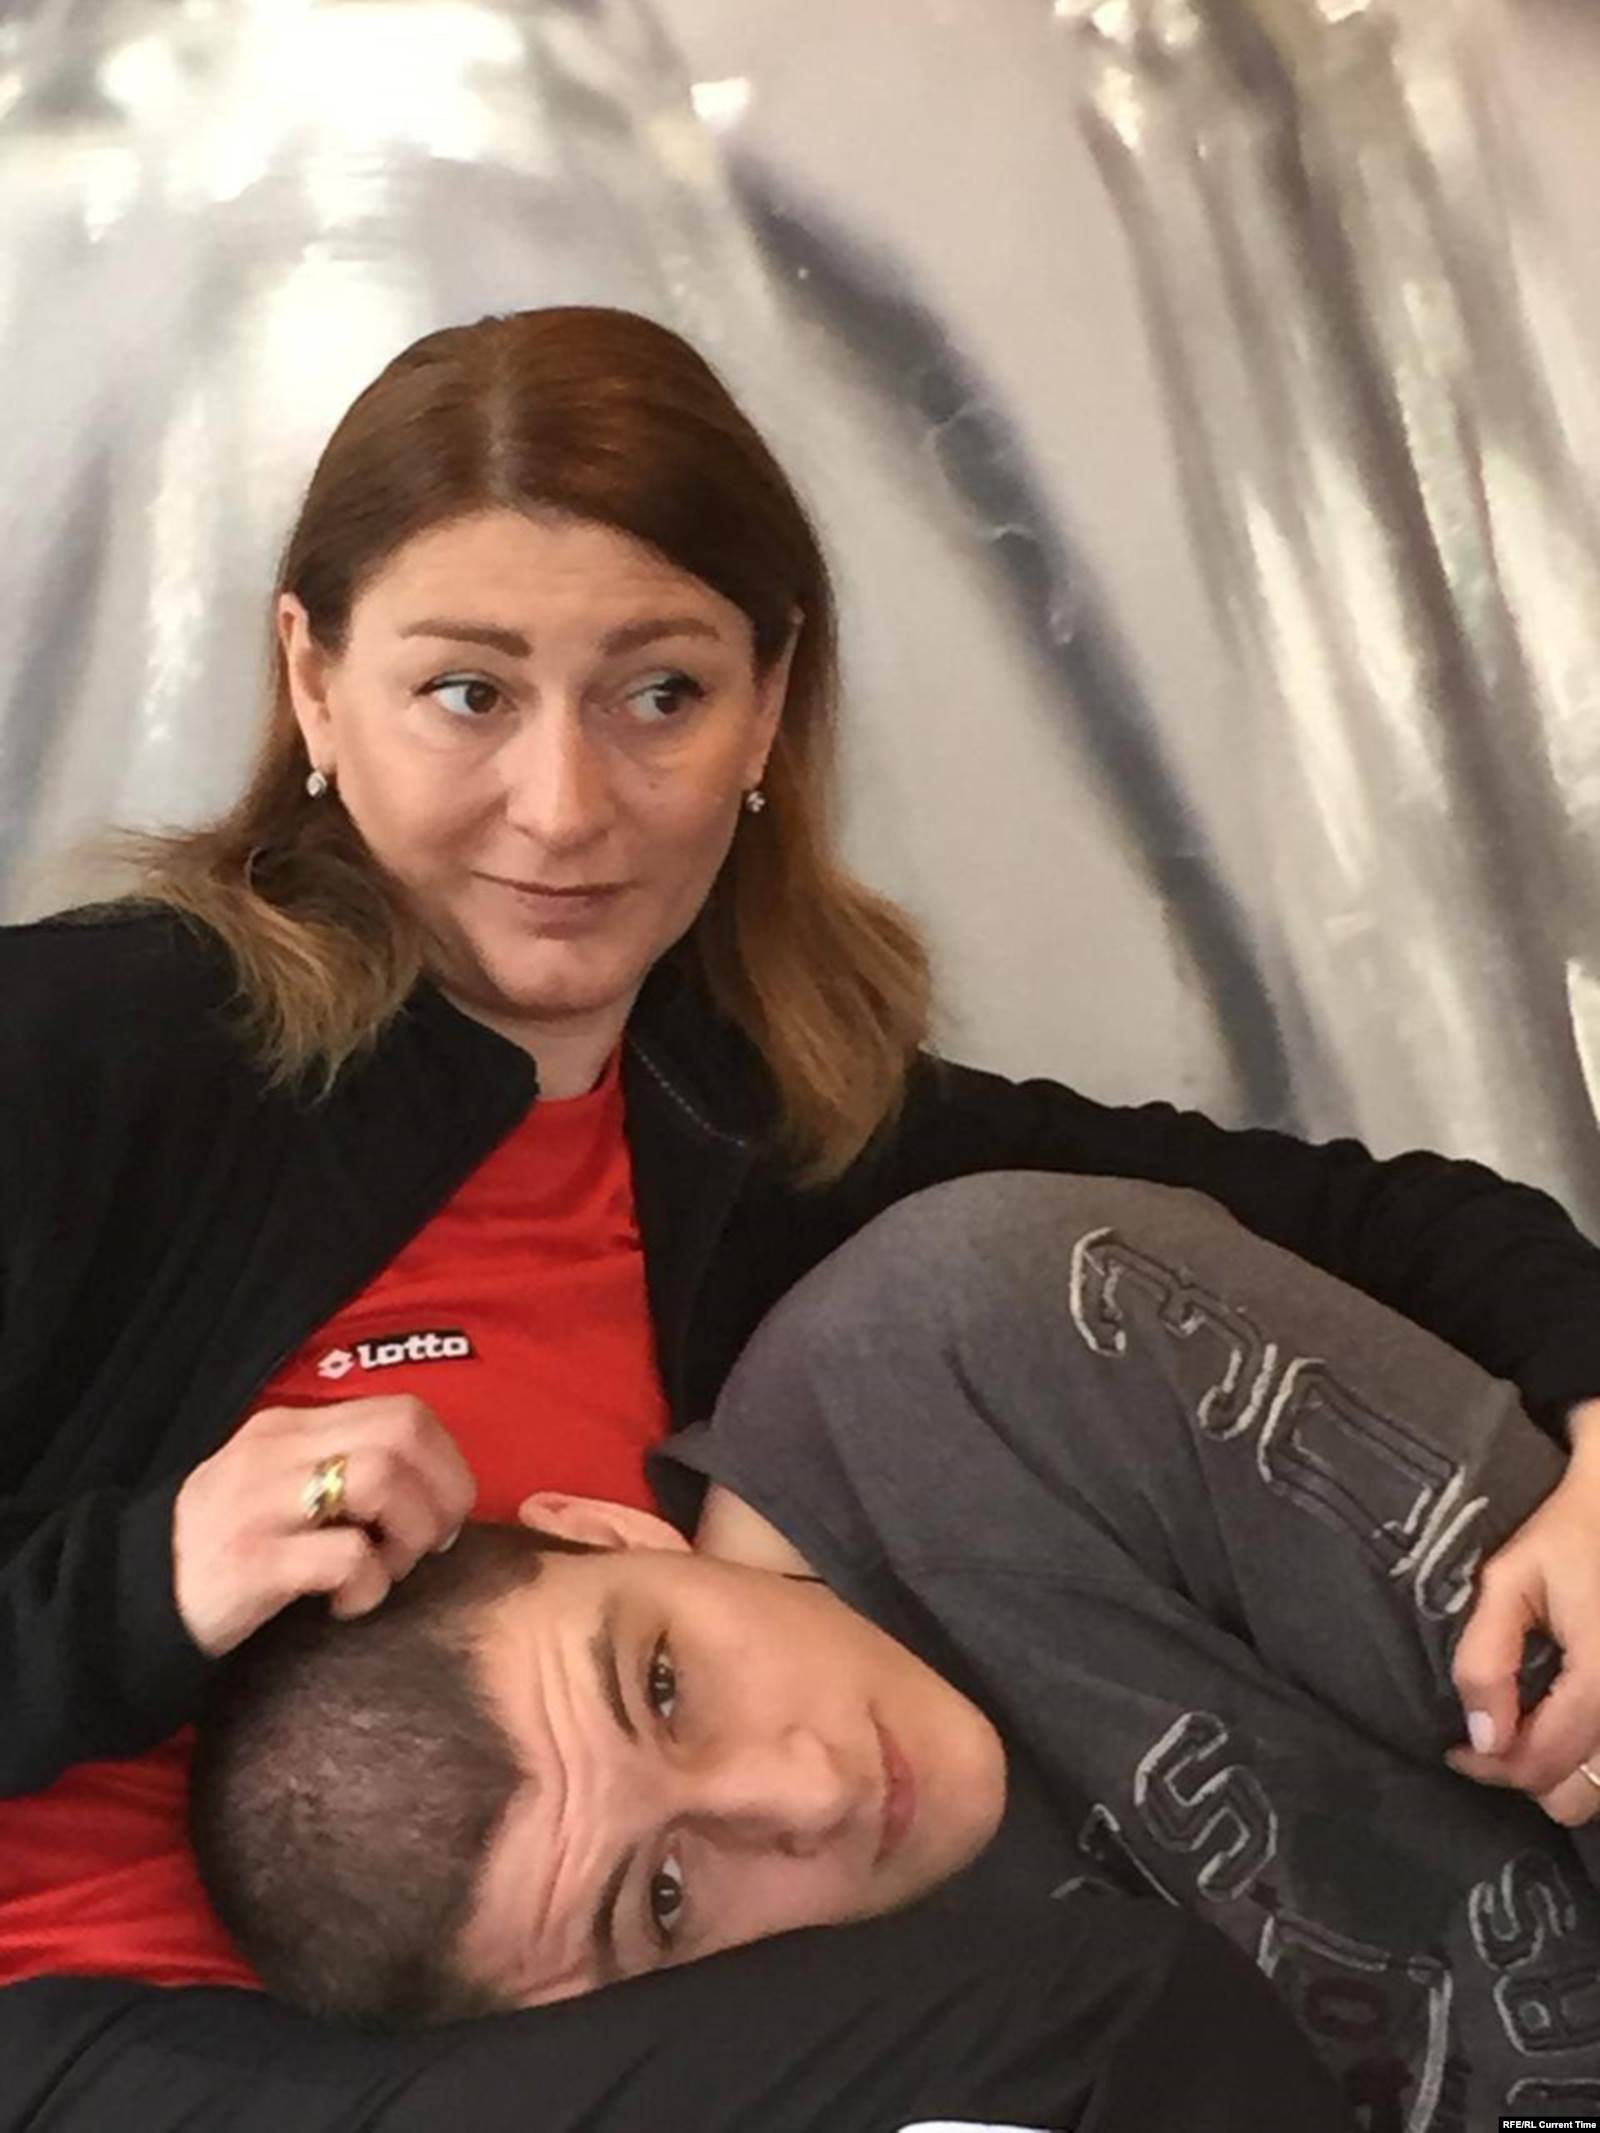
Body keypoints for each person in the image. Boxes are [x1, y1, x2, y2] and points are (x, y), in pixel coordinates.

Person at [2, 301, 1598, 2132]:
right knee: (1089, 2029)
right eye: (469, 693)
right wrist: (149, 1576)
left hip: (602, 2037)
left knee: (1087, 1997)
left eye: (659, 694)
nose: (564, 804)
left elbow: (1372, 1220)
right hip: (63, 2035)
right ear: (314, 684)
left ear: (768, 704)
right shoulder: (89, 1052)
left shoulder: (751, 1114)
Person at [191, 1172, 1600, 2131]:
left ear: (604, 1530)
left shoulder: (982, 1348)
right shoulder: (833, 2074)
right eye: (665, 1897)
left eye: (664, 1684)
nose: (809, 1791)